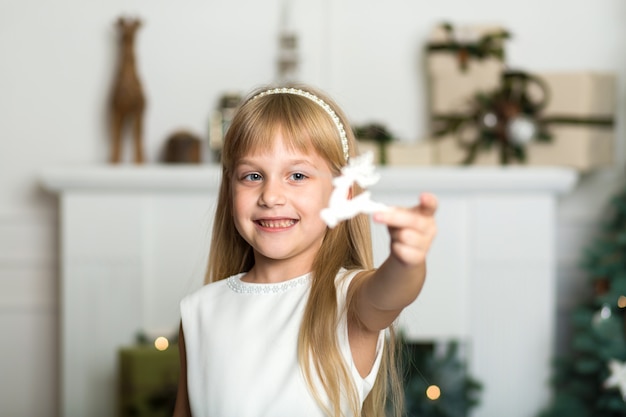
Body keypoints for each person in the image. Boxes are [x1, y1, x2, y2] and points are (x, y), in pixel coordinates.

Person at [173, 85, 438, 417]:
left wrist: (407, 261)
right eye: (252, 176)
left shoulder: (351, 300)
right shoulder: (199, 311)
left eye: (297, 175)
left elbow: (392, 291)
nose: (271, 195)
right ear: (229, 190)